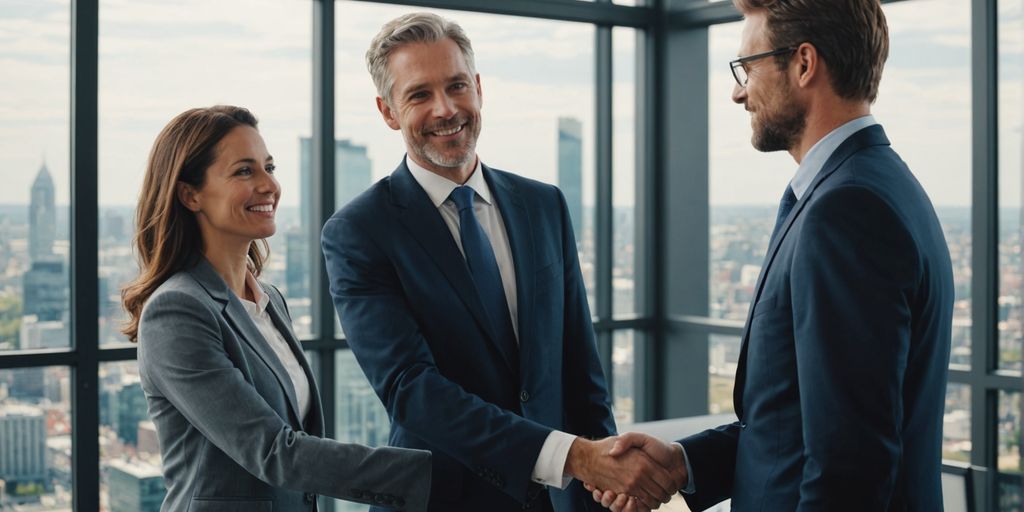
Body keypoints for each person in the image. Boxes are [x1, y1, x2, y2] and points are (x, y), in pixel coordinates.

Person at [588, 0, 954, 510]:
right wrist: (684, 463)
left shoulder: (846, 210)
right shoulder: (874, 185)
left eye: (748, 67)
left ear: (804, 64)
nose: (739, 92)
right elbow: (799, 426)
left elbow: (850, 465)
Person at [320, 12, 682, 512]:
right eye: (419, 95)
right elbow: (412, 390)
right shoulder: (359, 232)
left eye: (456, 86)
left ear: (479, 88)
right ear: (387, 111)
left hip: (561, 501)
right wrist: (574, 457)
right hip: (445, 500)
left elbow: (580, 366)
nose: (446, 109)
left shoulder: (543, 205)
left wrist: (610, 480)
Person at [123, 105, 432, 512]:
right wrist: (434, 477)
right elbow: (273, 451)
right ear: (190, 194)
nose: (270, 185)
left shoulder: (270, 301)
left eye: (269, 167)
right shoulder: (177, 311)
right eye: (244, 171)